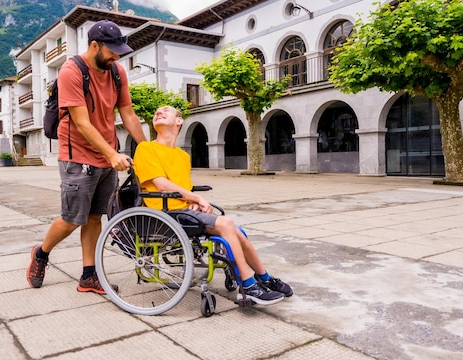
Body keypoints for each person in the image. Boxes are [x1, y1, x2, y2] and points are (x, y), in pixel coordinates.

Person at [27, 20, 146, 294]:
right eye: (112, 51)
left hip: (106, 156)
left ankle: (88, 276)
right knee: (72, 218)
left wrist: (148, 149)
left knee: (95, 216)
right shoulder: (72, 71)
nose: (117, 56)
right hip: (77, 156)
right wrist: (112, 153)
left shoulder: (116, 72)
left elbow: (127, 113)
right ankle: (41, 253)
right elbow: (81, 122)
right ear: (95, 45)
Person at [133, 105, 293, 305]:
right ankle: (249, 285)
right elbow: (161, 184)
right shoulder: (146, 148)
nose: (158, 112)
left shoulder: (182, 156)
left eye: (166, 110)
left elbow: (183, 188)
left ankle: (266, 278)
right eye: (156, 111)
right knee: (226, 223)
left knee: (238, 232)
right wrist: (197, 199)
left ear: (179, 121)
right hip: (162, 213)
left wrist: (194, 203)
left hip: (181, 211)